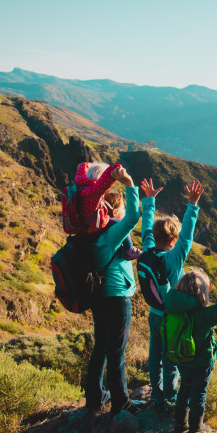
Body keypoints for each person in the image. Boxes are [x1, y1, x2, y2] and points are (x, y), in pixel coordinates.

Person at [81, 162, 145, 416]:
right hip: (117, 296)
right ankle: (121, 401)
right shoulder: (109, 231)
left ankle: (95, 397)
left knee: (101, 347)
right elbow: (132, 218)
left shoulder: (88, 231)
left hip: (99, 296)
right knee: (116, 351)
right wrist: (130, 185)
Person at [139, 178, 204, 411]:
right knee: (171, 360)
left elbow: (147, 227)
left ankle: (156, 398)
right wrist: (193, 205)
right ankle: (170, 398)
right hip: (172, 318)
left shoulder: (147, 250)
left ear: (155, 236)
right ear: (173, 240)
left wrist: (149, 202)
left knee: (154, 358)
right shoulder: (175, 258)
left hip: (154, 314)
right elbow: (187, 235)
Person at [165, 267, 217, 433]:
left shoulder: (172, 309)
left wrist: (203, 291)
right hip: (201, 363)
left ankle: (180, 425)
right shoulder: (203, 316)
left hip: (181, 359)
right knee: (199, 395)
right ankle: (196, 429)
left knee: (184, 391)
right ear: (201, 294)